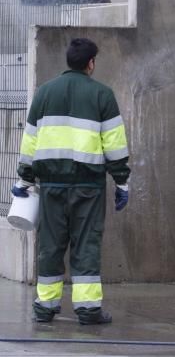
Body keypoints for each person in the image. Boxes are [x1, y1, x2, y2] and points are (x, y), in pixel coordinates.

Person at [11, 38, 130, 325]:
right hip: (88, 187)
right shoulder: (103, 94)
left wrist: (25, 178)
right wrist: (122, 181)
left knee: (51, 244)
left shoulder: (44, 93)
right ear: (91, 63)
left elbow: (30, 140)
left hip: (51, 186)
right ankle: (88, 309)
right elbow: (114, 143)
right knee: (86, 243)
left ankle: (45, 306)